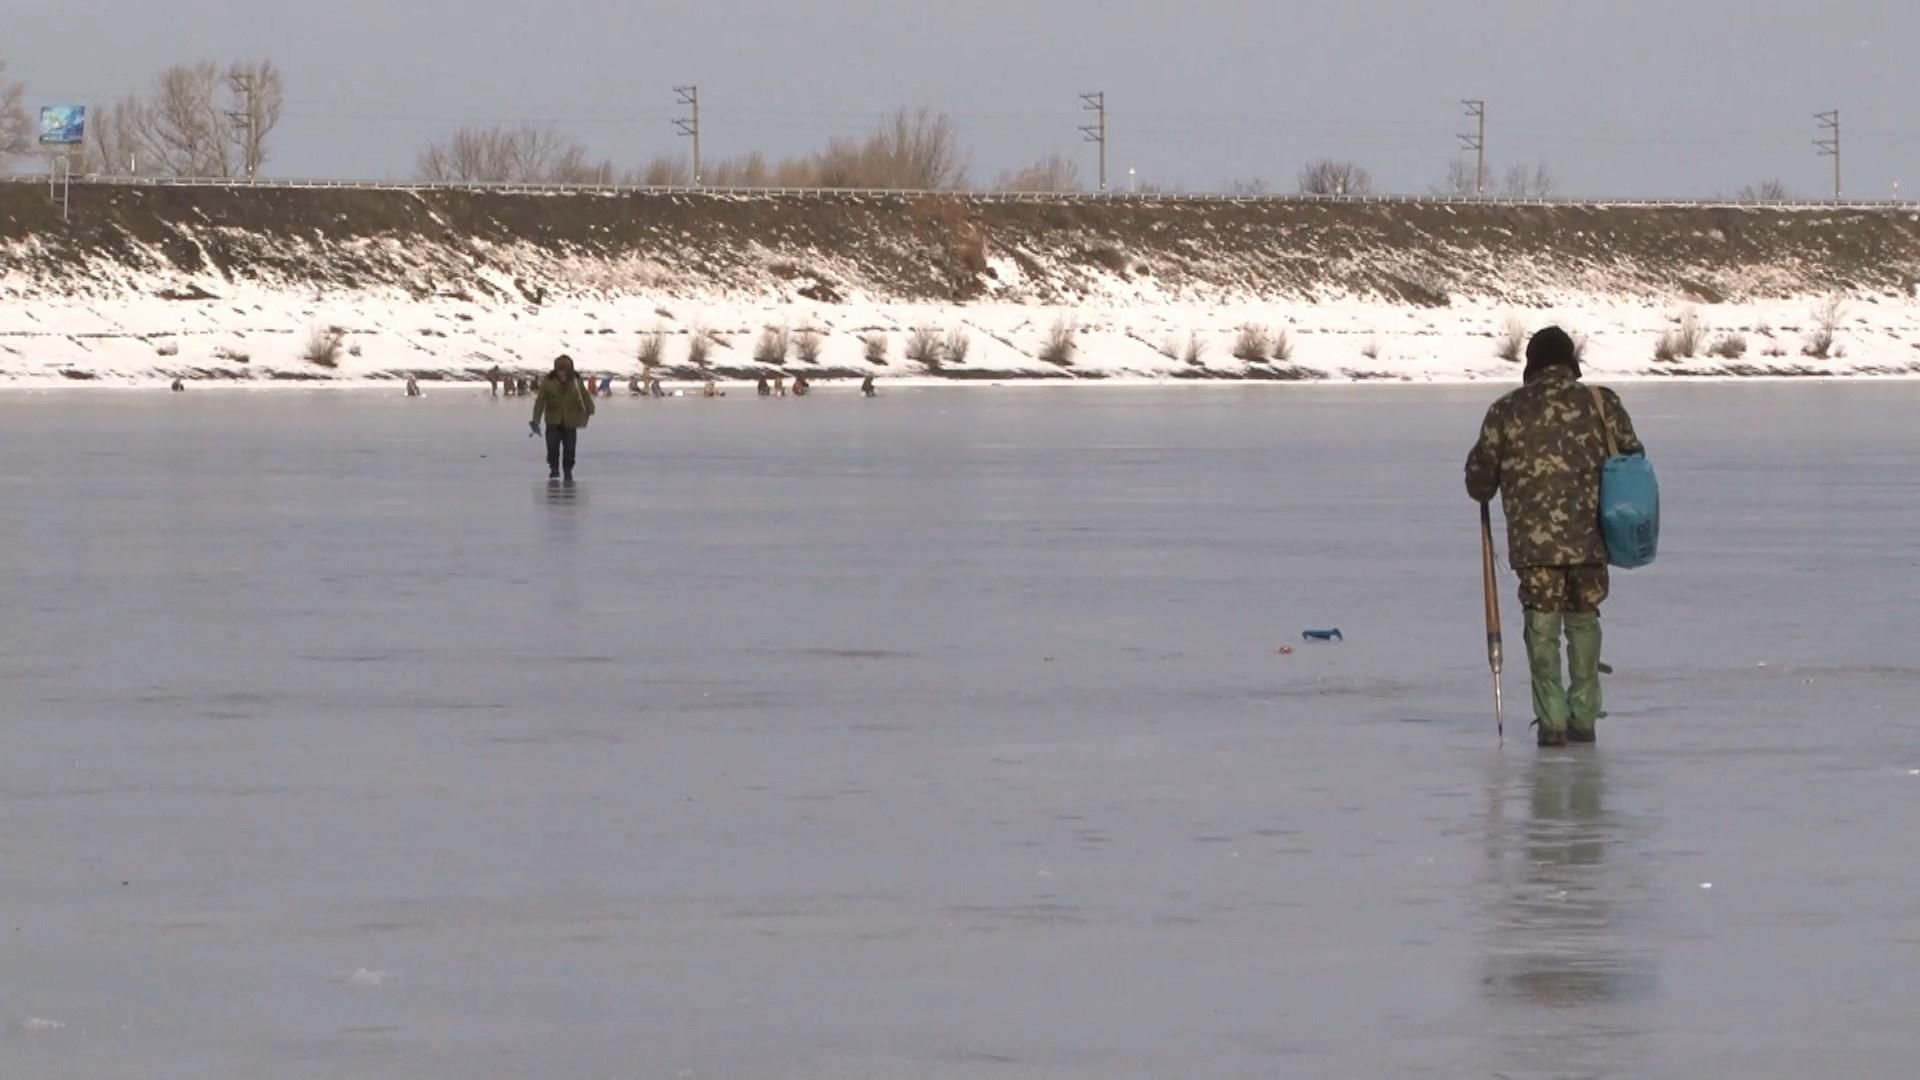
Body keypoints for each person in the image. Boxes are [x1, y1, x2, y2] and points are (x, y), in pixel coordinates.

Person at [1466, 326, 1644, 747]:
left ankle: (1552, 722)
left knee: (1542, 626)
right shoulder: (1602, 403)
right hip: (1592, 540)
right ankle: (1584, 716)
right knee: (1584, 620)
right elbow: (1634, 457)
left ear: (1531, 365)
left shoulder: (1506, 410)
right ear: (1570, 363)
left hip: (1535, 547)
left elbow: (1479, 483)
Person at [529, 354, 596, 481]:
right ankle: (554, 469)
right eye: (559, 370)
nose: (561, 374)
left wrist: (590, 407)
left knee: (570, 449)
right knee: (552, 447)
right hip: (553, 421)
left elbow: (584, 395)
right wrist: (535, 420)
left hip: (570, 420)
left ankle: (568, 471)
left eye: (564, 370)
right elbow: (540, 401)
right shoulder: (548, 381)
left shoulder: (576, 380)